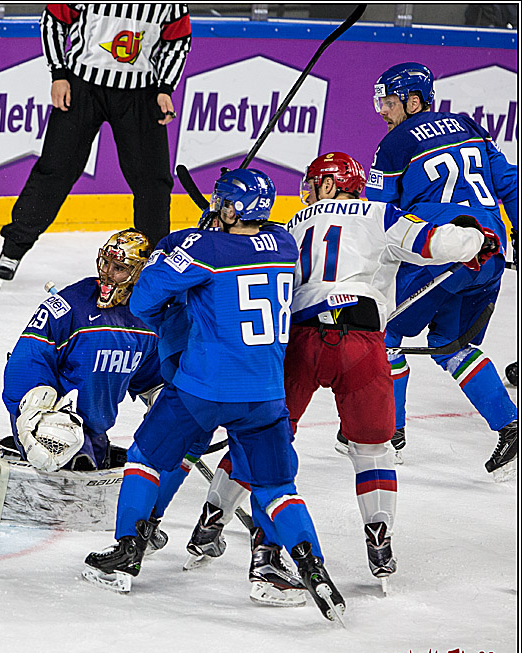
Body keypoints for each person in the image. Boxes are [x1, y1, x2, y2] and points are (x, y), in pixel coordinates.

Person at [185, 152, 500, 600]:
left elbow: (231, 254)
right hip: (361, 345)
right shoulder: (381, 214)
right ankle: (378, 541)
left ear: (329, 185)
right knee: (373, 446)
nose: (308, 192)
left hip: (298, 343)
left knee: (262, 438)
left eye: (313, 183)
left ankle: (209, 522)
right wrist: (478, 239)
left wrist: (212, 224)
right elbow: (441, 244)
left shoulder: (287, 227)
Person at [83, 169, 346, 624]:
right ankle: (311, 567)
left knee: (147, 456)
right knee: (277, 487)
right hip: (265, 393)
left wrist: (183, 244)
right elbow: (238, 255)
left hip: (201, 388)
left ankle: (128, 549)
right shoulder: (284, 243)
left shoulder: (204, 248)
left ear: (227, 208)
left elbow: (145, 299)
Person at [0, 230, 195, 532]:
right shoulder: (71, 305)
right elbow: (27, 358)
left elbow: (150, 379)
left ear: (139, 272)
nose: (107, 274)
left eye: (118, 268)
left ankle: (17, 461)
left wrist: (167, 405)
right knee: (61, 444)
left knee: (95, 468)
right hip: (53, 422)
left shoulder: (150, 318)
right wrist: (33, 412)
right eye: (104, 263)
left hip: (94, 432)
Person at [366, 62, 518, 479]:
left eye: (390, 102)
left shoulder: (394, 144)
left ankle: (387, 435)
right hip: (491, 252)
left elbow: (377, 214)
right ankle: (510, 425)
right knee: (452, 346)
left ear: (414, 101)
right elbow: (511, 183)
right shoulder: (470, 126)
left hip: (444, 249)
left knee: (386, 333)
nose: (383, 111)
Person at [0, 3, 192, 281]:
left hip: (140, 93)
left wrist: (164, 87)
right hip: (82, 86)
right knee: (55, 169)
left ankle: (154, 266)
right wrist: (58, 73)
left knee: (152, 181)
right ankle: (13, 249)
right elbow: (53, 20)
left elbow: (178, 41)